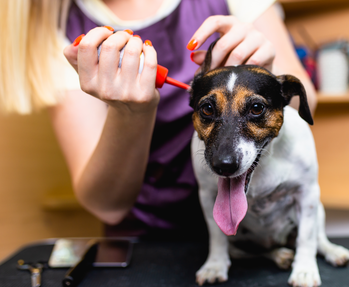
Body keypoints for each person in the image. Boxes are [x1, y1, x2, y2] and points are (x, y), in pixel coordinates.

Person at [0, 0, 317, 240]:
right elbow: (107, 206)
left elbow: (307, 104)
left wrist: (267, 77)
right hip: (148, 244)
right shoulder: (56, 25)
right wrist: (131, 114)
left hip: (259, 233)